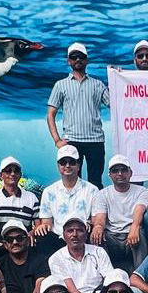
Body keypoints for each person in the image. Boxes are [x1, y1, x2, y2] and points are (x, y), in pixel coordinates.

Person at [46, 41, 110, 189]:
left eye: (81, 56)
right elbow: (50, 114)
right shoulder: (60, 85)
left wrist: (118, 78)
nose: (78, 59)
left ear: (86, 60)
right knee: (73, 183)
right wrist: (57, 140)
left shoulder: (98, 84)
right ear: (69, 61)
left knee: (96, 183)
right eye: (74, 57)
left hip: (96, 141)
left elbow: (115, 104)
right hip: (71, 141)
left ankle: (96, 206)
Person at [33, 145, 99, 255]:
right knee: (42, 236)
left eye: (72, 162)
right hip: (58, 238)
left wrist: (89, 225)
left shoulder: (92, 190)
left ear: (78, 166)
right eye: (63, 162)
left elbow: (95, 220)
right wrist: (42, 227)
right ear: (58, 166)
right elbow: (47, 223)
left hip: (82, 236)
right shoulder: (49, 191)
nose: (67, 166)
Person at [91, 154, 148, 272]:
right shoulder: (102, 194)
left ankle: (141, 275)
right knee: (97, 235)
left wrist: (135, 226)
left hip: (131, 234)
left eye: (123, 170)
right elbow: (100, 218)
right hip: (112, 236)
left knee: (139, 232)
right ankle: (104, 275)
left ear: (130, 173)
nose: (120, 174)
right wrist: (98, 227)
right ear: (110, 175)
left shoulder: (141, 191)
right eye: (115, 171)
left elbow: (140, 209)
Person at [49, 215, 113, 293]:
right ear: (64, 235)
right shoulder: (56, 258)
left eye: (79, 230)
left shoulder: (98, 252)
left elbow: (110, 279)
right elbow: (72, 291)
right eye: (70, 231)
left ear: (86, 234)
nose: (75, 234)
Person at [0, 220, 49, 293]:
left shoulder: (41, 260)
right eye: (9, 239)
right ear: (5, 244)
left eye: (19, 238)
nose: (15, 242)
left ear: (28, 241)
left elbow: (39, 289)